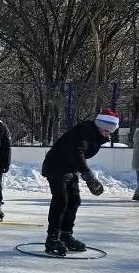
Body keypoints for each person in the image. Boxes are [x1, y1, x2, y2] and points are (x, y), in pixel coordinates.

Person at [40, 109, 116, 256]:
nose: (109, 133)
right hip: (55, 165)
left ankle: (66, 234)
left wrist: (85, 175)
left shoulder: (96, 135)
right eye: (107, 129)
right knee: (61, 199)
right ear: (100, 124)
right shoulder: (85, 130)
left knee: (74, 200)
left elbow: (79, 156)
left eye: (111, 130)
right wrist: (89, 176)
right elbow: (77, 153)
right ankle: (53, 238)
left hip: (70, 168)